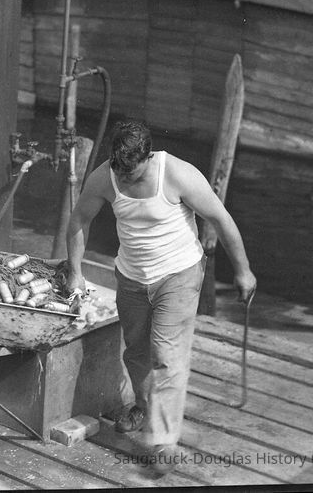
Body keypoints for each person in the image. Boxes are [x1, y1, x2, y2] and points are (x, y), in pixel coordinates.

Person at [65, 120, 256, 475]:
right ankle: (142, 405)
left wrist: (243, 271)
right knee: (135, 350)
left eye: (132, 174)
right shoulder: (104, 178)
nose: (125, 180)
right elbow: (79, 220)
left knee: (167, 355)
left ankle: (165, 440)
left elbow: (221, 219)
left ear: (147, 157)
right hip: (132, 277)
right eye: (120, 172)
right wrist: (76, 271)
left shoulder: (179, 174)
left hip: (179, 275)